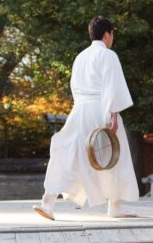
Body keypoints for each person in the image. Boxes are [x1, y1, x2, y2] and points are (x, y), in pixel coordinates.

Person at [33, 16, 139, 220]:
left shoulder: (80, 56)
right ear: (107, 35)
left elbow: (75, 86)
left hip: (79, 110)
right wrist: (113, 115)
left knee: (67, 152)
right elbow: (112, 87)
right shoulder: (108, 55)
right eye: (112, 34)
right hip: (101, 109)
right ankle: (114, 206)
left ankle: (48, 202)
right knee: (113, 155)